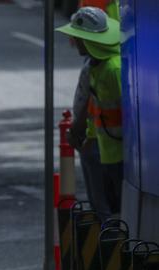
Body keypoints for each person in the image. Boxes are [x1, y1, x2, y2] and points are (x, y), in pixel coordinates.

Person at [58, 6, 123, 218]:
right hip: (104, 150)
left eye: (78, 37)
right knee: (103, 208)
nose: (74, 41)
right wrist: (88, 137)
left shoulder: (113, 70)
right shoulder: (97, 68)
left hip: (118, 153)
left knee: (111, 212)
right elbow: (95, 109)